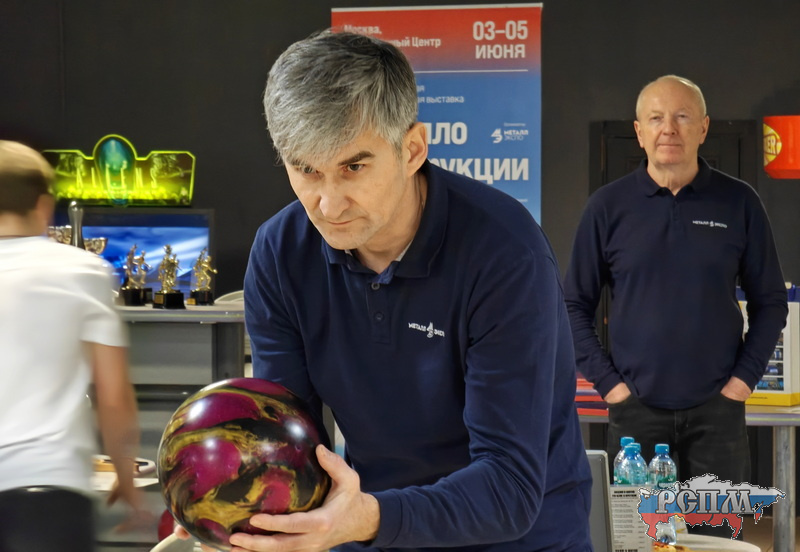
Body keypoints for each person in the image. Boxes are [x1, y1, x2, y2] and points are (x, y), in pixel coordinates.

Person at [237, 30, 592, 551]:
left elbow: (510, 489)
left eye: (353, 167)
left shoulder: (505, 252)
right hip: (370, 527)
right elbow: (287, 445)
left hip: (519, 535)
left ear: (412, 150)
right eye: (306, 170)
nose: (328, 205)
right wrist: (230, 502)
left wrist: (367, 519)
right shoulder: (280, 254)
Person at [564, 76, 788, 493]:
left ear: (703, 128)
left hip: (718, 414)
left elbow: (772, 302)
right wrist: (610, 387)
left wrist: (741, 382)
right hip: (635, 416)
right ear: (639, 132)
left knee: (716, 530)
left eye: (682, 117)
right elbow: (573, 306)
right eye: (656, 118)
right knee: (641, 530)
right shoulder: (607, 208)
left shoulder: (739, 202)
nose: (669, 128)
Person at [0, 140, 147, 551]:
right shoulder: (83, 271)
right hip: (50, 496)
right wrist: (125, 476)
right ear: (44, 206)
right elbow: (113, 396)